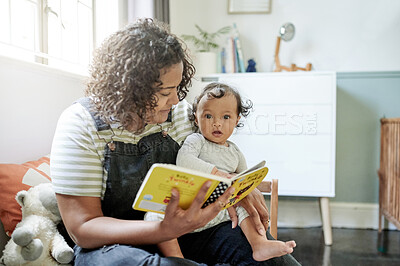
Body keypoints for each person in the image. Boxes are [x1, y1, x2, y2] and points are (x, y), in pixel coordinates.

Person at [50, 18, 301, 265]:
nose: (175, 100)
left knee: (273, 262)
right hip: (112, 245)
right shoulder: (81, 124)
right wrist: (162, 229)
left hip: (186, 233)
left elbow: (218, 160)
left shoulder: (181, 115)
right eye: (164, 92)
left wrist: (239, 187)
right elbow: (82, 229)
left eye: (177, 87)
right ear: (130, 89)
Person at [145, 82, 296, 262]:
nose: (217, 123)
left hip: (222, 213)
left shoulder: (235, 152)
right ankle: (177, 258)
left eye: (226, 117)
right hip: (188, 210)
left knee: (243, 203)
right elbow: (184, 161)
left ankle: (258, 244)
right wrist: (219, 174)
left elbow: (245, 182)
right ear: (196, 118)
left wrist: (244, 187)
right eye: (208, 116)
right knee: (153, 214)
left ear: (237, 120)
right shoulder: (196, 140)